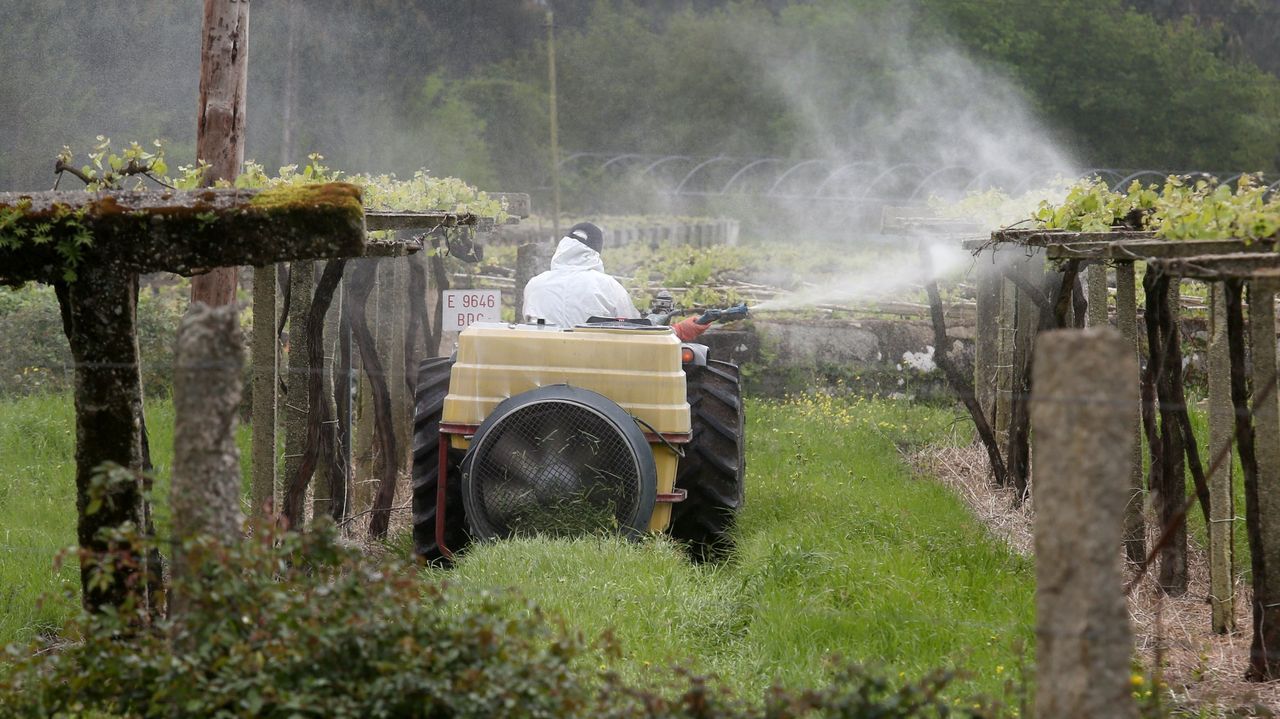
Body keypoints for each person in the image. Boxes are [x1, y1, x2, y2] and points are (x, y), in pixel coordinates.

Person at [523, 222, 640, 327]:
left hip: (541, 350)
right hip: (592, 350)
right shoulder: (609, 286)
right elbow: (632, 326)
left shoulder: (534, 284)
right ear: (596, 252)